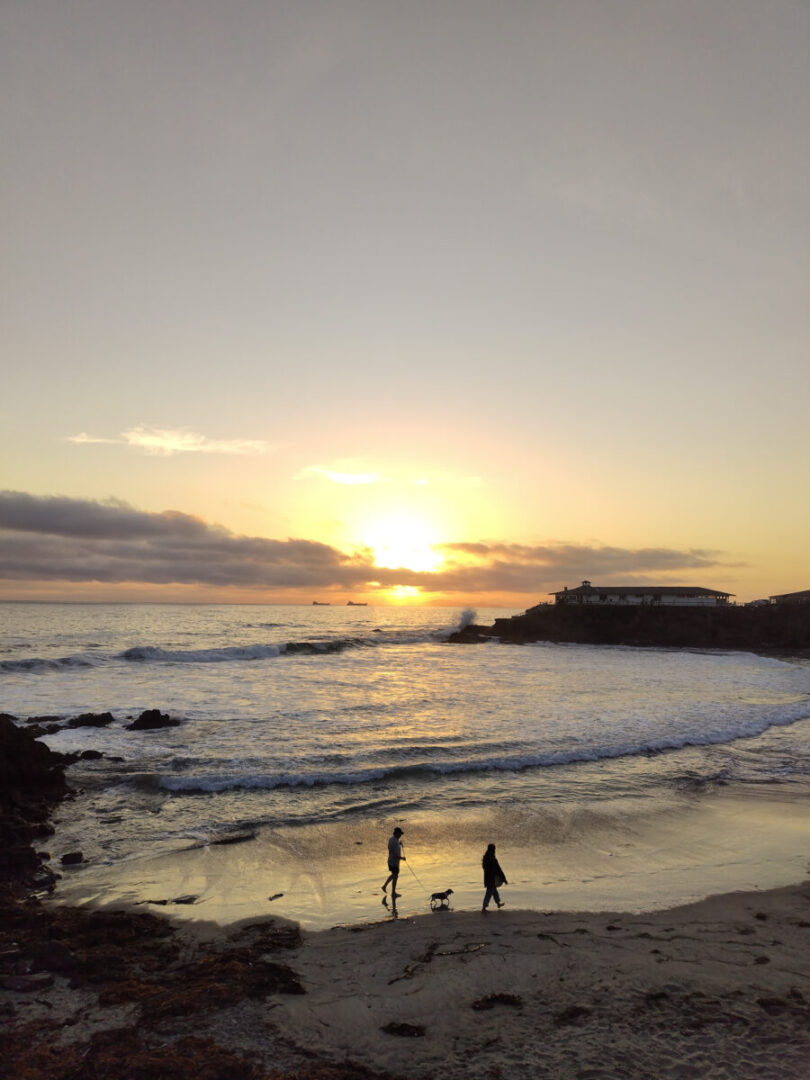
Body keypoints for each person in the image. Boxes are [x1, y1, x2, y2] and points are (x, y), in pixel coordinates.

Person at [482, 842, 507, 912]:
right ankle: (484, 907)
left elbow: (484, 868)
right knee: (489, 892)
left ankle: (498, 903)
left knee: (494, 891)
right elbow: (498, 869)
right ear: (493, 850)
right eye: (494, 849)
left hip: (488, 878)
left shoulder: (485, 857)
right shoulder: (492, 858)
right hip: (491, 878)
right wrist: (504, 878)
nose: (495, 851)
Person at [382, 826, 405, 898]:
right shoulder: (395, 841)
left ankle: (385, 887)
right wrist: (402, 858)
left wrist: (399, 844)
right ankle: (393, 892)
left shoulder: (392, 839)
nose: (400, 835)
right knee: (395, 876)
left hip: (391, 861)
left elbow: (390, 848)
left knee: (394, 875)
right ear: (396, 834)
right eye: (400, 834)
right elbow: (395, 854)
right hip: (394, 861)